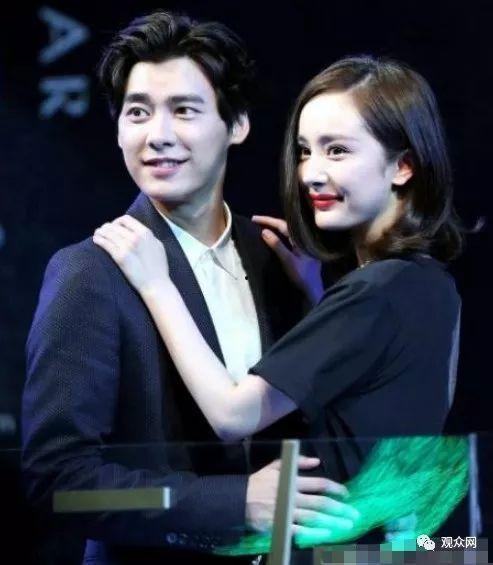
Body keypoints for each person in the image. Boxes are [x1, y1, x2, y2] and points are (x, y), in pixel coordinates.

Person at [22, 11, 358, 565]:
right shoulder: (90, 272)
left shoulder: (280, 260)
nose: (158, 135)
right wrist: (231, 504)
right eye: (138, 112)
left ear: (237, 124)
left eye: (183, 110)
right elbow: (59, 481)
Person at [94, 55, 463, 507]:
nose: (311, 174)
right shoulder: (431, 282)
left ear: (403, 166)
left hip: (345, 539)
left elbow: (232, 415)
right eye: (305, 151)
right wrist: (319, 298)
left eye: (337, 151)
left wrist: (157, 286)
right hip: (407, 537)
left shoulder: (377, 290)